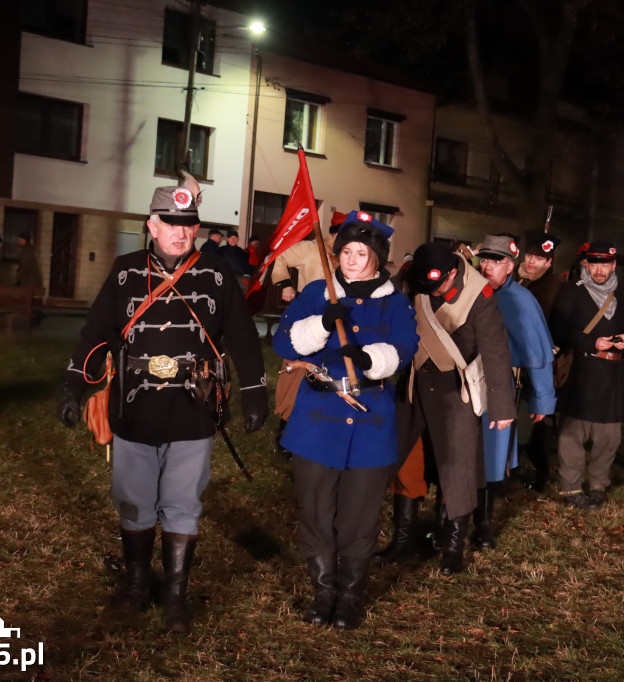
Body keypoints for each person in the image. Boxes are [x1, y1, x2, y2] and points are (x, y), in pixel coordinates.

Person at [56, 180, 268, 633]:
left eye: (188, 225)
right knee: (133, 499)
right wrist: (73, 386)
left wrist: (255, 392)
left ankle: (174, 591)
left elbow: (244, 340)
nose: (181, 232)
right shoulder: (125, 270)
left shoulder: (215, 274)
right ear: (152, 225)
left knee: (182, 501)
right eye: (171, 223)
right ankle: (136, 582)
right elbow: (95, 332)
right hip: (135, 409)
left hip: (194, 409)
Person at [274, 215, 417, 630]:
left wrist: (371, 359)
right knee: (317, 511)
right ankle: (324, 593)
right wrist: (320, 322)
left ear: (378, 260)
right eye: (346, 252)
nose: (352, 261)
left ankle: (351, 596)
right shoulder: (319, 292)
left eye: (362, 254)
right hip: (318, 419)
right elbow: (284, 340)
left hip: (371, 420)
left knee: (360, 515)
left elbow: (406, 346)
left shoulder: (395, 302)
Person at [386, 242, 515, 575]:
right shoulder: (411, 280)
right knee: (406, 462)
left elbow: (496, 351)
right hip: (415, 384)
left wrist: (502, 407)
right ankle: (403, 542)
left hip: (455, 390)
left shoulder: (479, 295)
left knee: (457, 469)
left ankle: (452, 547)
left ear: (454, 273)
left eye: (440, 284)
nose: (434, 291)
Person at [474, 234, 555, 548]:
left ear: (510, 266)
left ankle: (483, 525)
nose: (488, 267)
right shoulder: (467, 292)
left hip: (501, 387)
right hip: (463, 386)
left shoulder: (520, 300)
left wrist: (543, 400)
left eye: (496, 262)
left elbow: (538, 354)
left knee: (492, 458)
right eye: (485, 260)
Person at [550, 241, 624, 509]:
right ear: (586, 265)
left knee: (609, 437)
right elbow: (558, 329)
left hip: (613, 374)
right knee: (572, 436)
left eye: (605, 264)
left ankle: (599, 484)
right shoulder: (572, 291)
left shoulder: (622, 291)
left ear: (613, 265)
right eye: (594, 264)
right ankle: (572, 488)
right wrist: (592, 343)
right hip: (582, 372)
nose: (599, 270)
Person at [270, 211, 344, 459]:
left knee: (329, 375)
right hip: (307, 318)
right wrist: (285, 284)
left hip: (337, 322)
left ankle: (322, 429)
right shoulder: (312, 249)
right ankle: (285, 432)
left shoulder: (350, 256)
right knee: (296, 372)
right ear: (334, 233)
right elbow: (279, 257)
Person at [514, 232, 563, 491]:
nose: (533, 262)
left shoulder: (555, 286)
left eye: (540, 258)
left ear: (549, 262)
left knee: (535, 417)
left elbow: (556, 321)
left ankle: (540, 470)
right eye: (531, 255)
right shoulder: (513, 277)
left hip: (537, 361)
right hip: (511, 358)